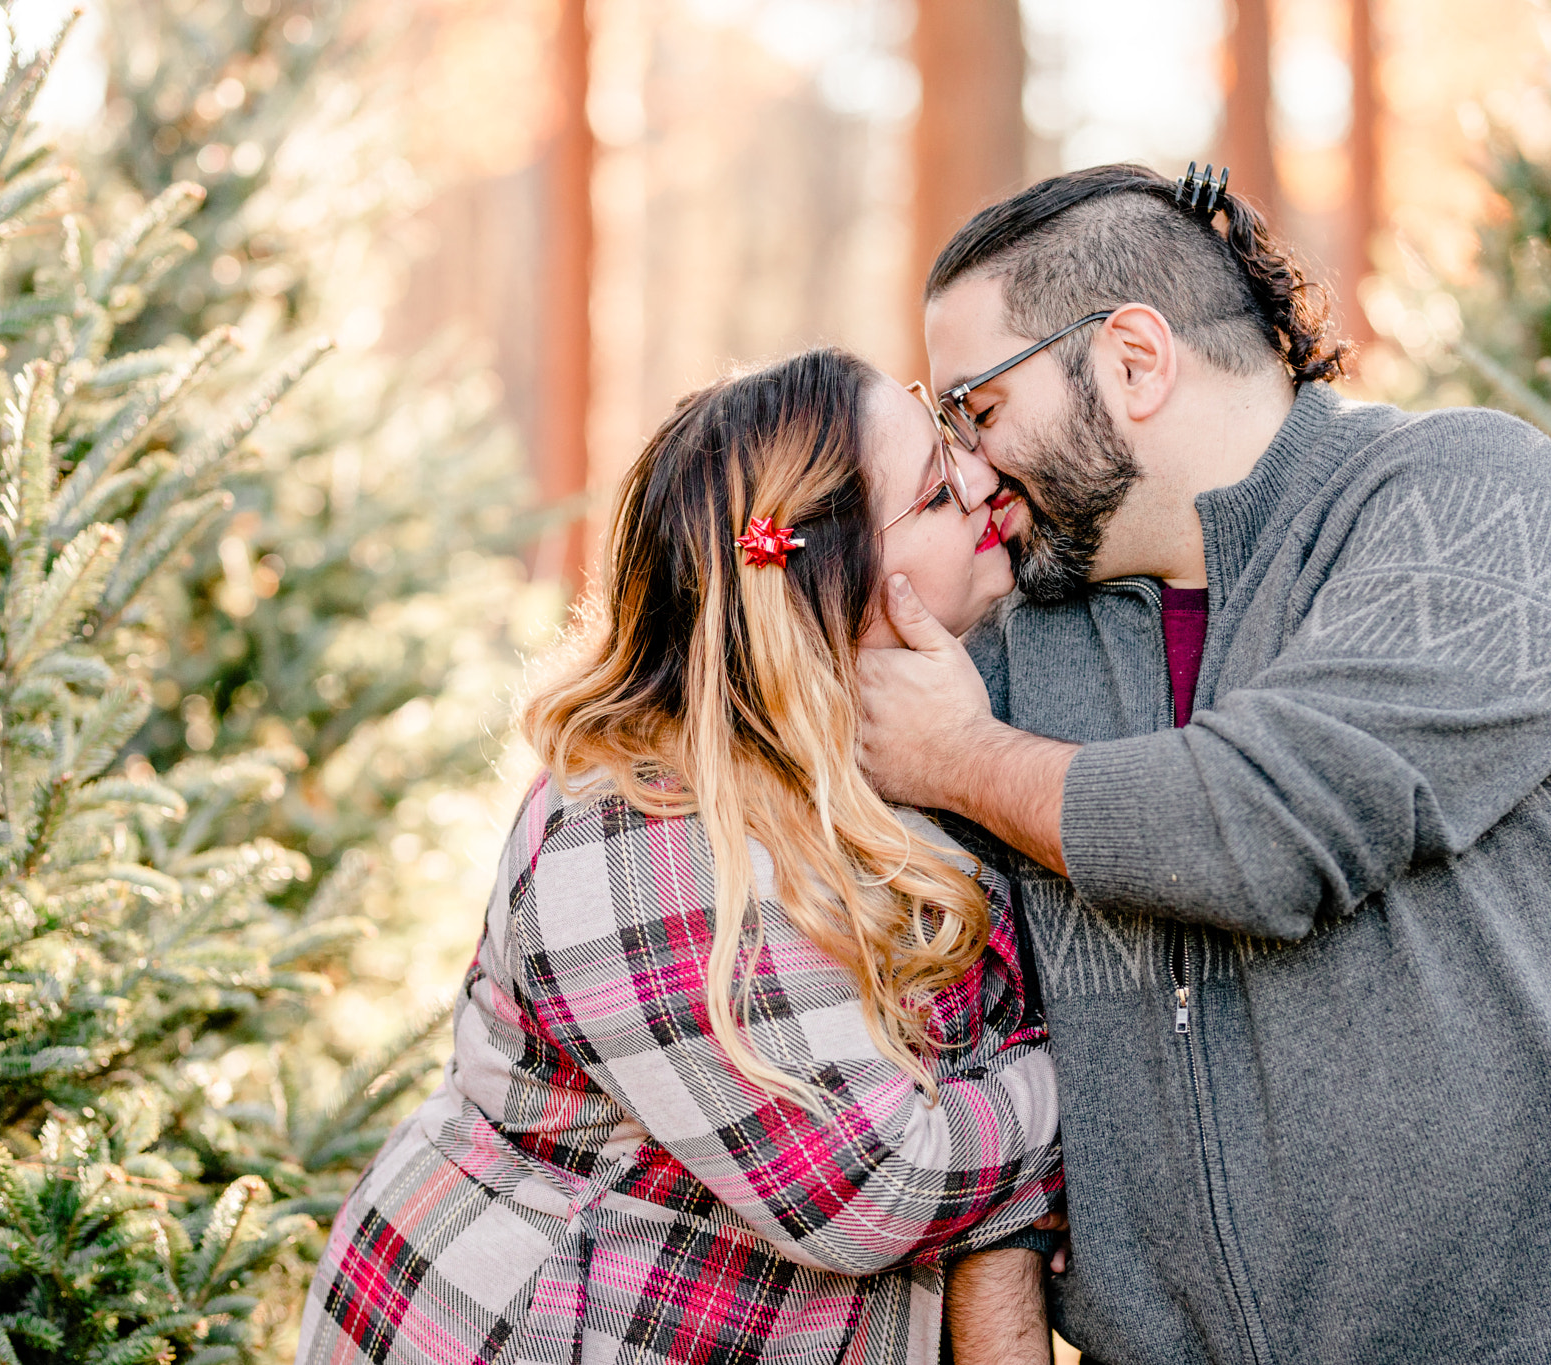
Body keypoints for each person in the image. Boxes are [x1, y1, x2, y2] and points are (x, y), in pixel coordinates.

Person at [857, 163, 1551, 1365]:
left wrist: (962, 756)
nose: (974, 471)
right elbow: (956, 1021)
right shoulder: (1016, 637)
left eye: (980, 410)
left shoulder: (1474, 499)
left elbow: (1255, 829)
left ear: (1133, 360)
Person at [296, 347, 1062, 1365]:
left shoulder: (869, 749)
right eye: (932, 490)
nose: (980, 480)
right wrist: (1099, 1069)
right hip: (526, 1332)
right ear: (819, 592)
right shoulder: (635, 842)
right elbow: (872, 1188)